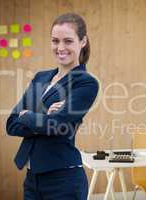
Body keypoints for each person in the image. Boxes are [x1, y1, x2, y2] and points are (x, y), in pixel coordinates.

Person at [6, 13, 99, 200]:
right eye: (55, 41)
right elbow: (11, 124)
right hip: (32, 180)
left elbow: (56, 125)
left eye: (68, 41)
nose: (60, 47)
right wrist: (43, 117)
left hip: (63, 180)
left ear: (83, 41)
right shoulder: (41, 77)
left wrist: (26, 114)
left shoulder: (86, 83)